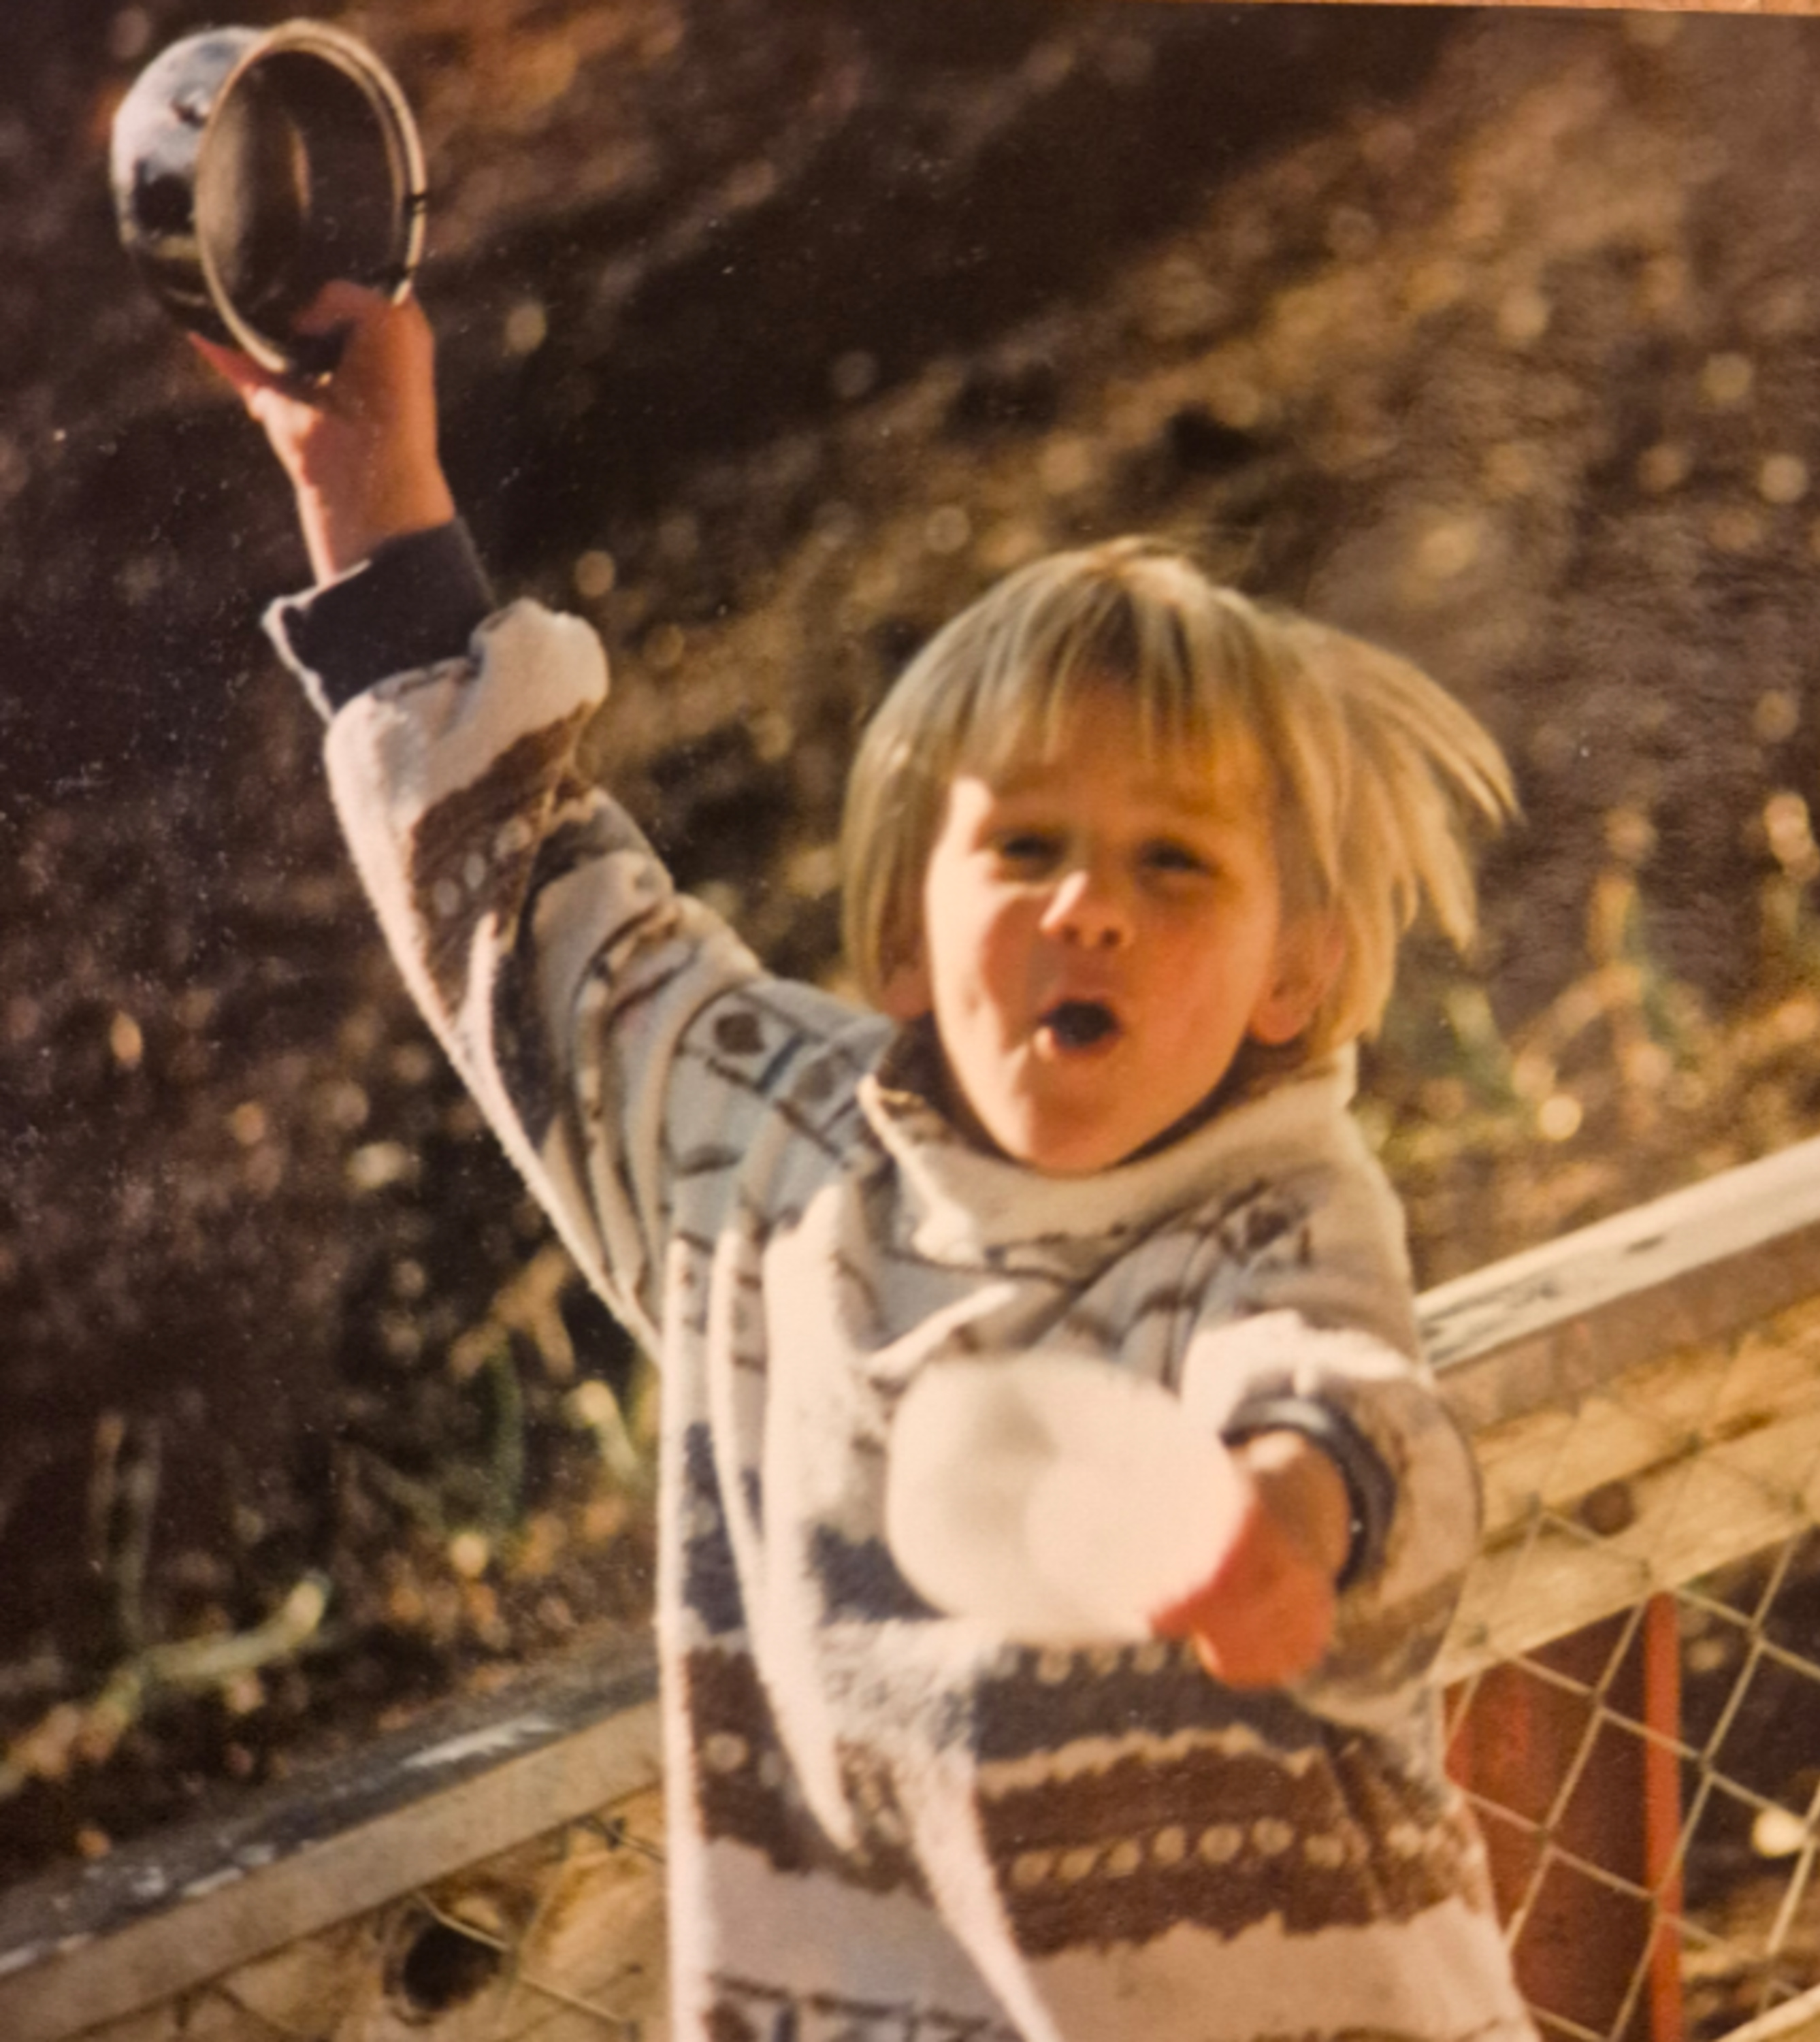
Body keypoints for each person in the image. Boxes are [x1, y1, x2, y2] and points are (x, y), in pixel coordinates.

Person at [200, 282, 1535, 2042]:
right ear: (907, 928)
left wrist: (1287, 1509)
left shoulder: (1270, 1209)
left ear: (1294, 967)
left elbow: (1346, 1381)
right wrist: (373, 513)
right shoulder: (770, 1159)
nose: (1089, 908)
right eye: (1032, 846)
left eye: (1177, 867)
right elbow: (529, 919)